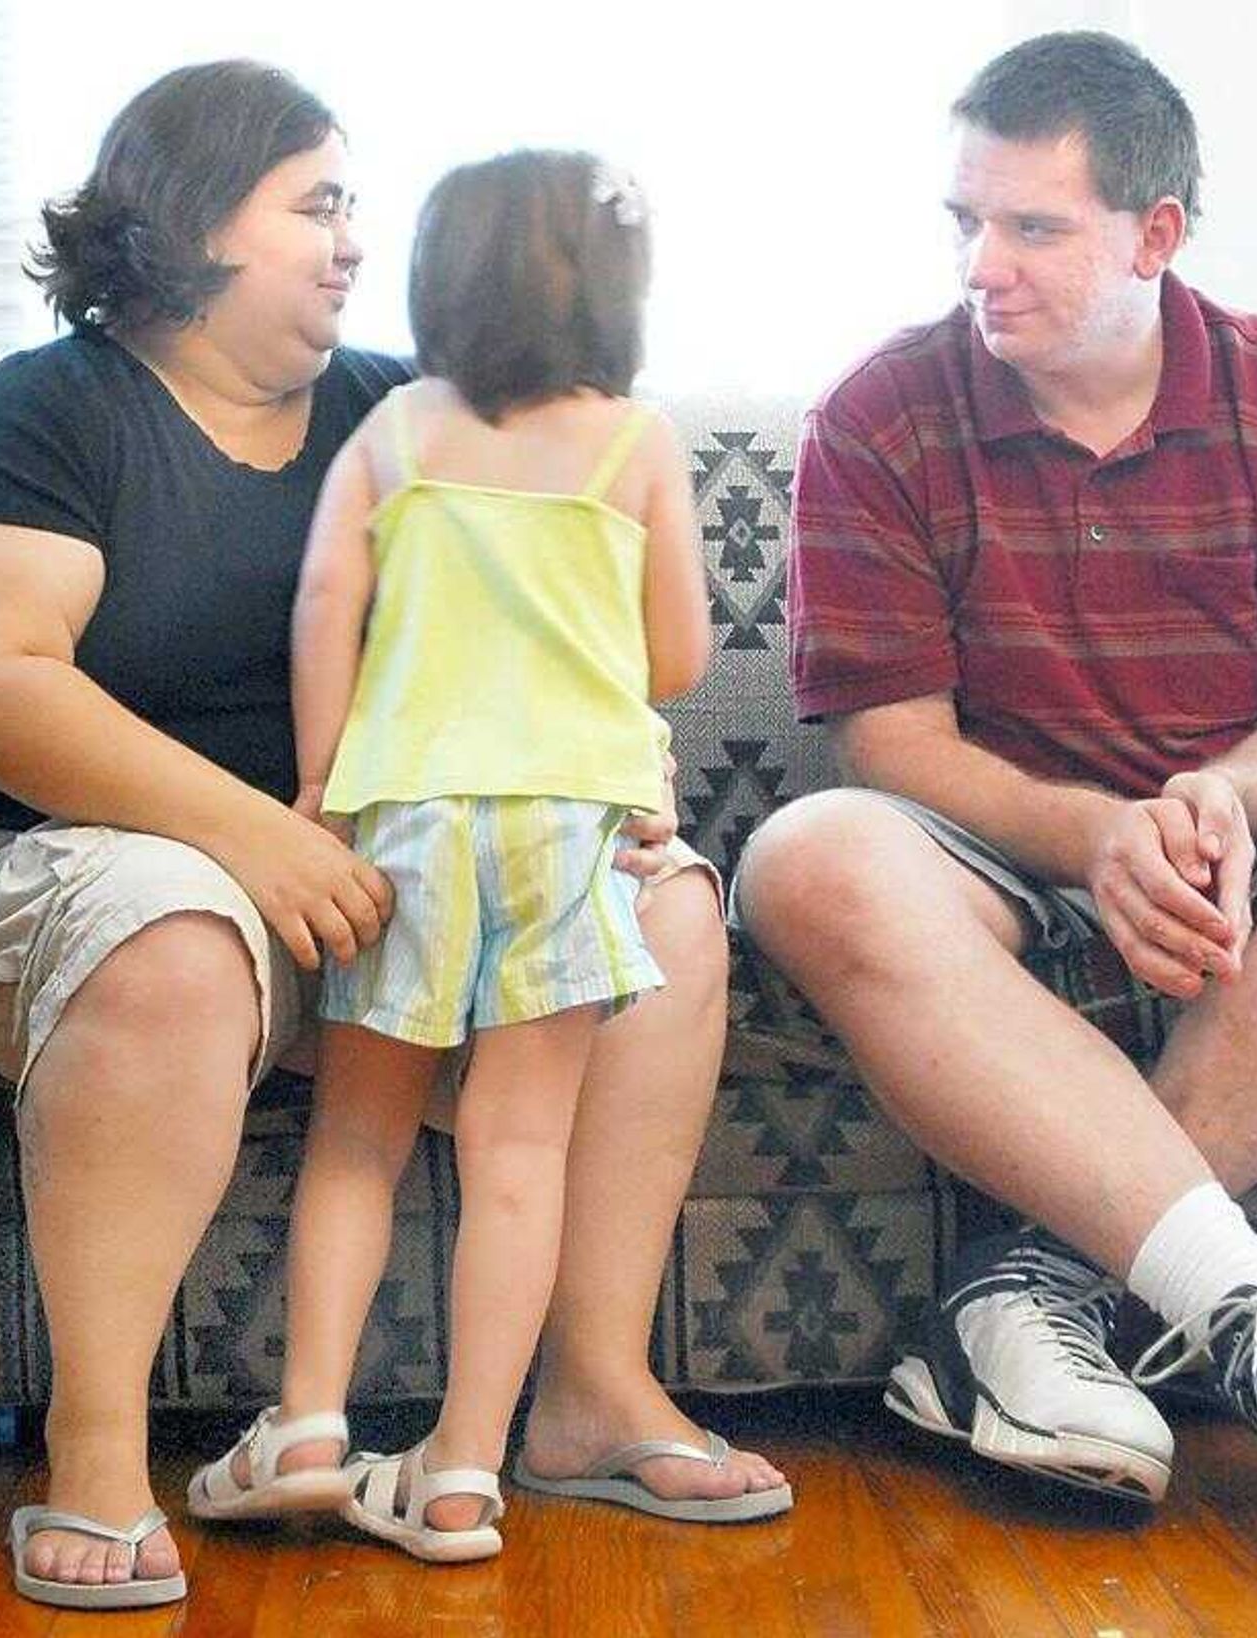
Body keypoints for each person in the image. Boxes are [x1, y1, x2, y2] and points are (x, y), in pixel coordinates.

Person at [0, 64, 784, 1612]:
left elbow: (576, 636)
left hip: (388, 887)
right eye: (317, 203)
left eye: (359, 208)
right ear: (192, 220)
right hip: (84, 870)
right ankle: (95, 1459)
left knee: (672, 912)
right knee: (174, 932)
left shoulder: (404, 412)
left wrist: (593, 799)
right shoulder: (47, 408)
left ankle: (589, 1392)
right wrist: (263, 838)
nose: (353, 243)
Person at [733, 31, 1257, 1552]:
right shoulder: (882, 415)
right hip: (992, 843)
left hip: (1238, 842)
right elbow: (891, 743)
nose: (985, 265)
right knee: (805, 854)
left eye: (1033, 228)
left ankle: (1028, 1290)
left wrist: (1213, 805)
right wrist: (1095, 835)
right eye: (964, 222)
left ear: (1155, 234)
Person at [185, 146, 749, 1564]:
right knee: (520, 1153)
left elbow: (327, 599)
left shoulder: (396, 433)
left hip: (408, 822)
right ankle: (461, 1476)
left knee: (360, 1137)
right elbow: (677, 653)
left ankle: (310, 1421)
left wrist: (321, 780)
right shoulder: (639, 444)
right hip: (567, 831)